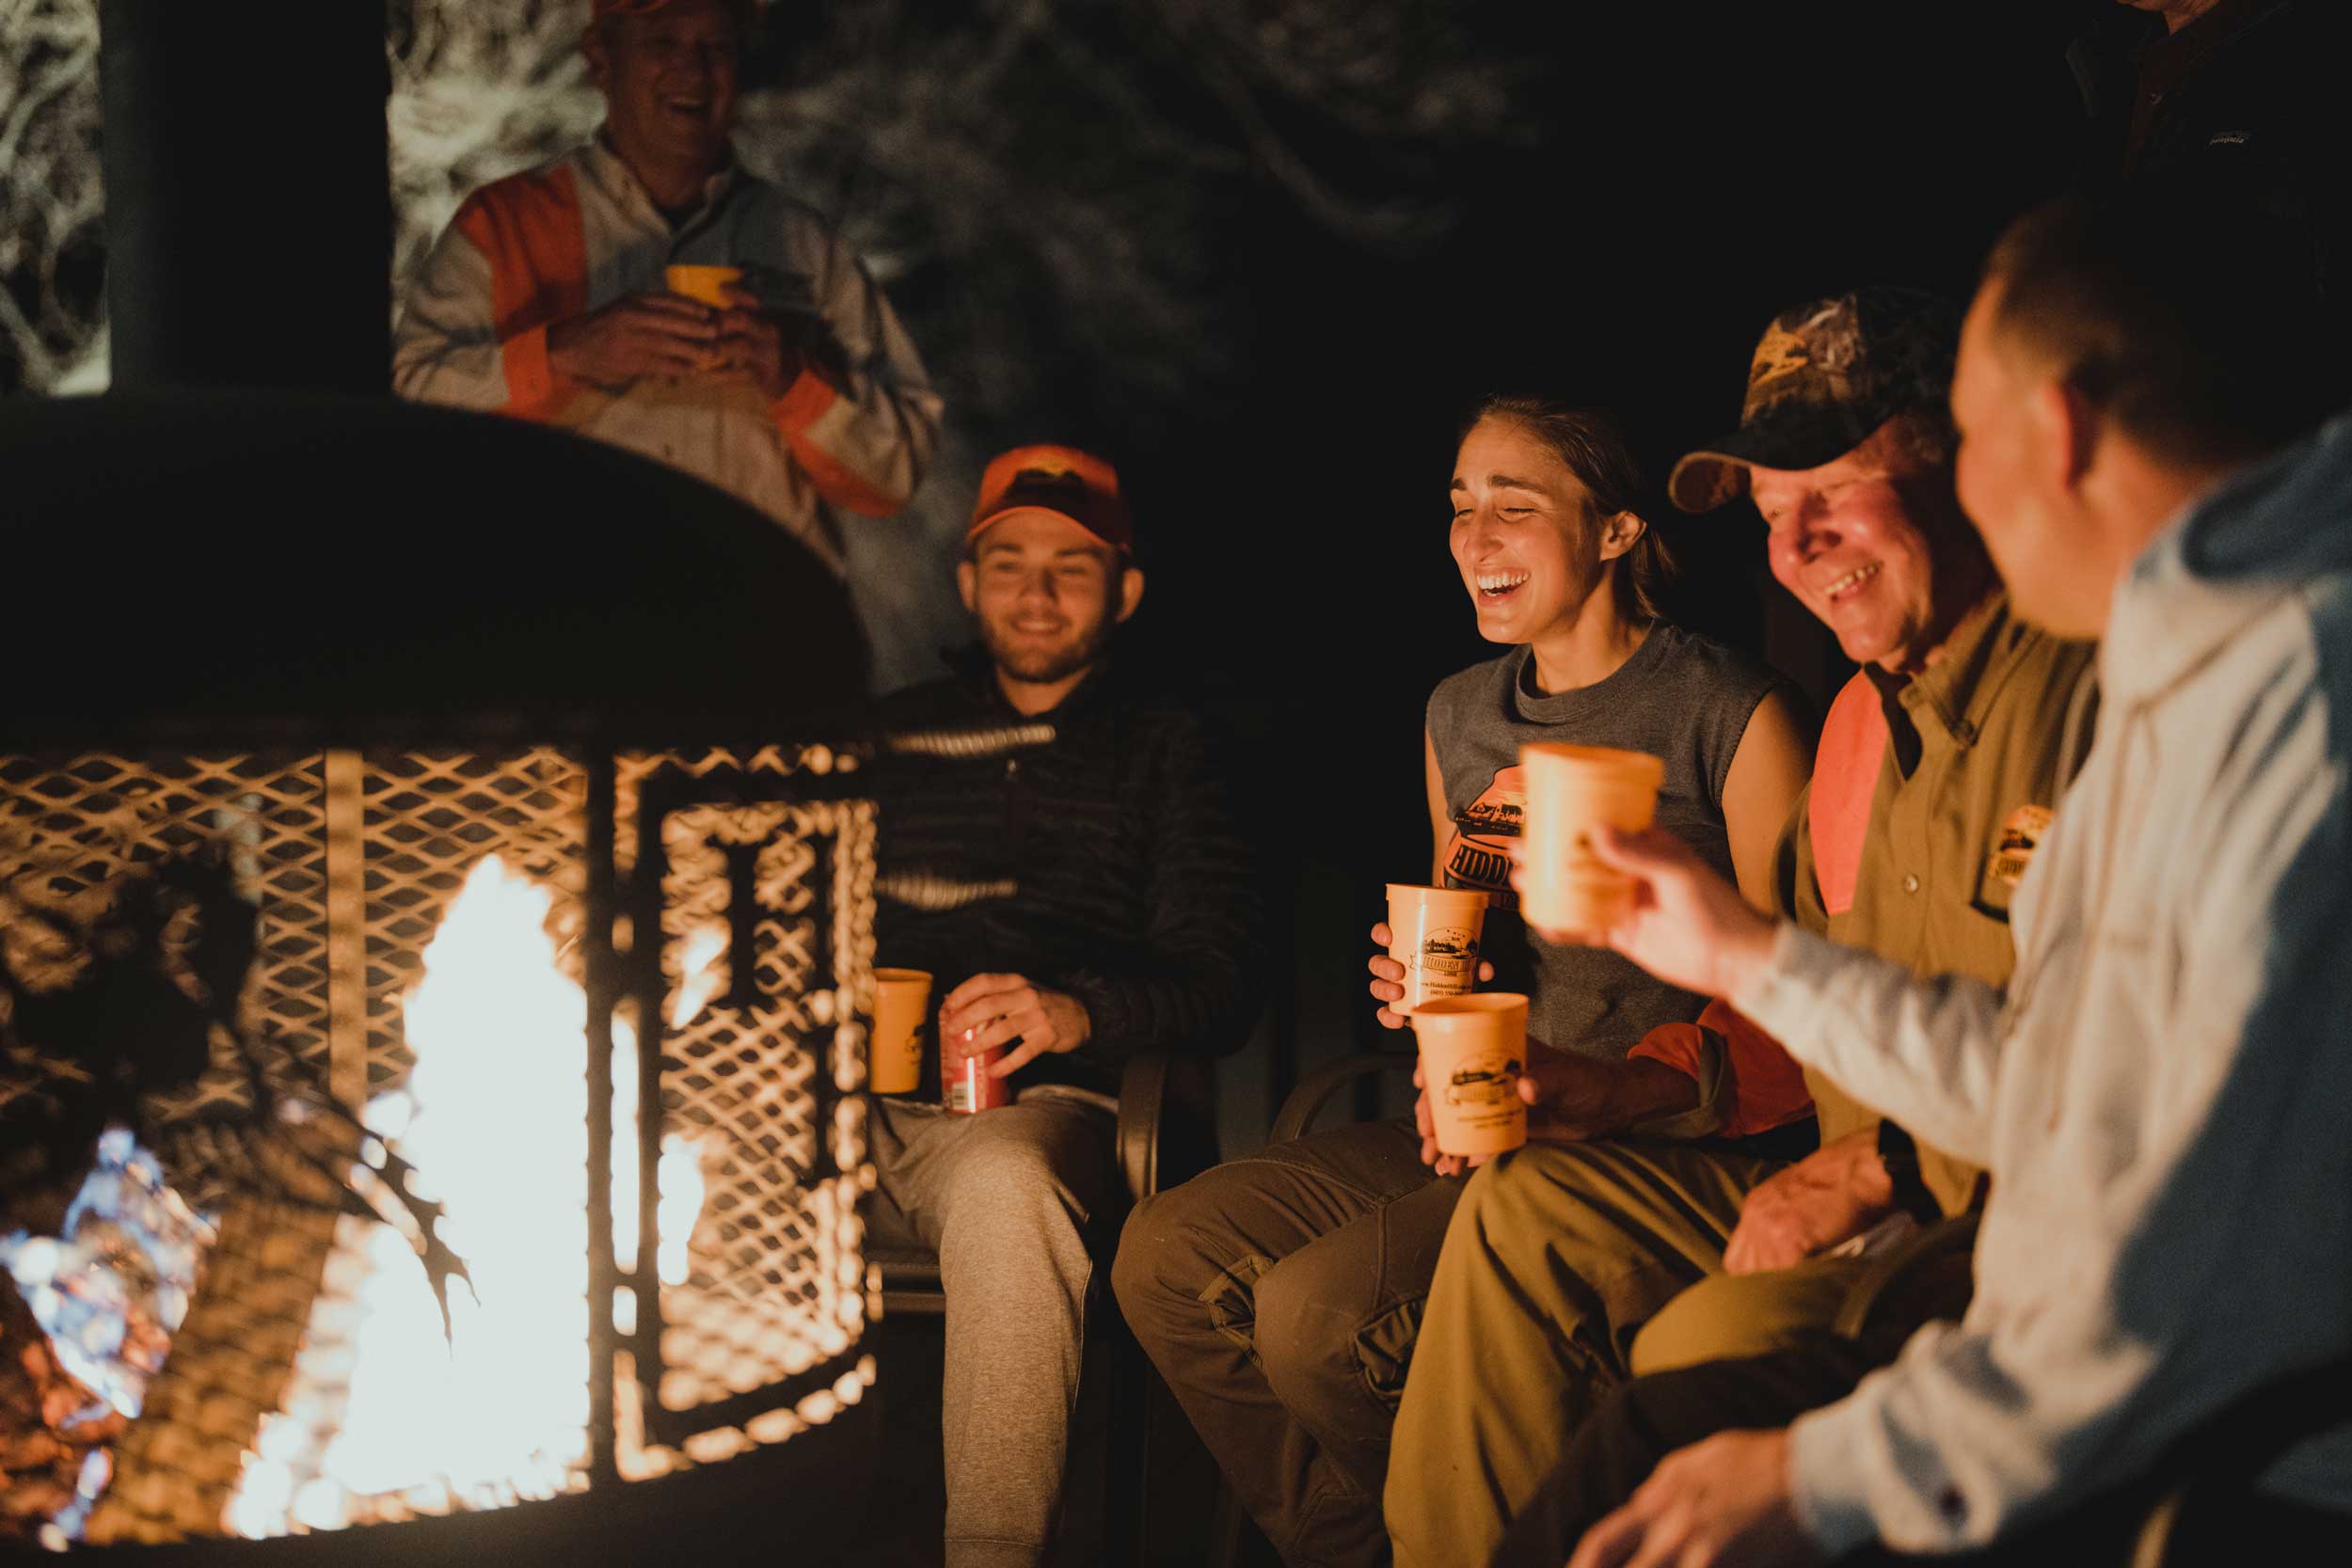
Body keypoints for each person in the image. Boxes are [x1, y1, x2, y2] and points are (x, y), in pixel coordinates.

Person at [1524, 192, 2351, 1568]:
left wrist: (1826, 1473)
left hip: (2210, 1473)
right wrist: (1745, 955)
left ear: (2055, 430)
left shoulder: (2296, 704)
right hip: (2069, 1389)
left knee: (1669, 1475)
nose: (1796, 551)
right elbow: (2064, 1089)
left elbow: (2177, 1294)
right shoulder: (2191, 664)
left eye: (1965, 441)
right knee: (1633, 1460)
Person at [1384, 292, 2099, 1568]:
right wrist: (1456, 993)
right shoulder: (1863, 733)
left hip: (1986, 1220)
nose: (1801, 538)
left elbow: (2126, 1068)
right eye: (1771, 509)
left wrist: (1851, 1152)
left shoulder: (2088, 693)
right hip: (1785, 1169)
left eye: (1834, 483)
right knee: (1446, 1228)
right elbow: (1821, 1016)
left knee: (1668, 1343)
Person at [1112, 400, 1813, 1568]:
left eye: (1513, 505)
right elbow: (1466, 944)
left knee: (1317, 1315)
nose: (1473, 537)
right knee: (1170, 1254)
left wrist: (1605, 1086)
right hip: (1492, 1122)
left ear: (1616, 528)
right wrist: (1427, 989)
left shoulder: (1730, 713)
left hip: (1662, 1145)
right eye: (1457, 506)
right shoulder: (1459, 712)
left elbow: (1802, 1007)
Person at [865, 444, 1262, 1568]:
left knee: (1004, 1185)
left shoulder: (1173, 746)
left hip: (1049, 1110)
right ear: (966, 579)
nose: (1035, 594)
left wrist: (1076, 1010)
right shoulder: (890, 733)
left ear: (1123, 590)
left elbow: (1222, 974)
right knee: (676, 1144)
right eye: (1009, 563)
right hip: (853, 1103)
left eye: (1070, 569)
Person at [391, 0, 942, 683]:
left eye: (716, 46)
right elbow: (407, 421)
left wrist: (793, 382)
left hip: (768, 659)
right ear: (601, 59)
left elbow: (896, 471)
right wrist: (566, 354)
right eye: (662, 42)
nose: (694, 70)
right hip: (565, 657)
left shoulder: (804, 246)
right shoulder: (505, 228)